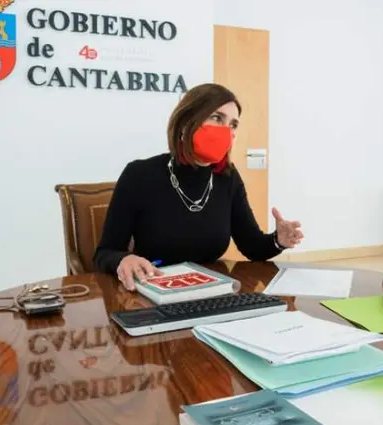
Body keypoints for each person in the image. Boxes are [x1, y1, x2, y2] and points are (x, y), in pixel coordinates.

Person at [95, 83, 304, 290]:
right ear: (186, 122)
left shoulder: (228, 178)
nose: (227, 130)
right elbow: (105, 252)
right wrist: (124, 260)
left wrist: (278, 241)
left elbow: (252, 246)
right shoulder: (139, 174)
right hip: (154, 290)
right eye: (217, 118)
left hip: (211, 291)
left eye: (233, 124)